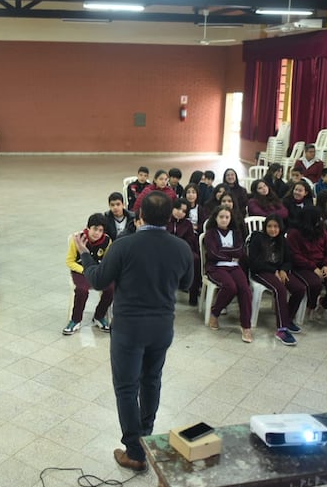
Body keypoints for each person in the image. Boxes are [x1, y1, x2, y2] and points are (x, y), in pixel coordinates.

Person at [74, 191, 192, 472]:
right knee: (152, 381)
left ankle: (135, 451)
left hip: (129, 329)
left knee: (127, 388)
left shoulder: (124, 245)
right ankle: (146, 439)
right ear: (168, 218)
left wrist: (85, 255)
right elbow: (187, 284)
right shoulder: (181, 248)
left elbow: (99, 280)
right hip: (162, 328)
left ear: (139, 217)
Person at [247, 214, 306, 345]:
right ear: (265, 227)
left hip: (279, 271)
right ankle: (281, 329)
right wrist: (273, 271)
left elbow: (289, 260)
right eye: (269, 226)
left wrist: (284, 270)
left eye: (276, 226)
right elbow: (254, 263)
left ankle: (287, 318)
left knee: (299, 288)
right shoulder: (257, 238)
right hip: (261, 271)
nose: (272, 229)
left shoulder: (282, 240)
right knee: (280, 289)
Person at [203, 205, 252, 342]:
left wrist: (222, 251)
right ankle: (215, 313)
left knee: (245, 290)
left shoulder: (236, 232)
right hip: (216, 267)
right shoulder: (211, 233)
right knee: (230, 287)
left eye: (227, 217)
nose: (224, 220)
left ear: (230, 219)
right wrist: (230, 255)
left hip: (234, 267)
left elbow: (240, 251)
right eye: (221, 217)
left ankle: (246, 326)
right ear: (216, 218)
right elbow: (212, 254)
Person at [287, 206, 327, 320]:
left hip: (322, 265)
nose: (320, 221)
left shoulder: (322, 232)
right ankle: (310, 306)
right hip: (303, 266)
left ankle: (324, 304)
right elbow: (295, 256)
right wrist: (313, 268)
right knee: (315, 284)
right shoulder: (294, 233)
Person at [63, 213, 113, 335]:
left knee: (111, 287)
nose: (97, 233)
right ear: (88, 228)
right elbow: (69, 261)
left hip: (98, 271)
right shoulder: (77, 239)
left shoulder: (107, 241)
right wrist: (84, 270)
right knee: (82, 289)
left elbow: (107, 260)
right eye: (95, 229)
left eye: (100, 230)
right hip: (81, 270)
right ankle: (75, 320)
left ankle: (99, 316)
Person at [167, 198, 201, 306]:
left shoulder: (188, 224)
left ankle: (193, 296)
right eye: (178, 209)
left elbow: (190, 241)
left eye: (183, 211)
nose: (180, 212)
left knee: (195, 259)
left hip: (183, 251)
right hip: (167, 251)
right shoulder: (165, 221)